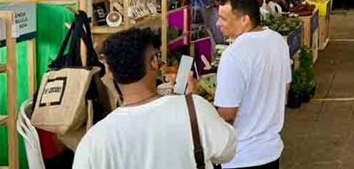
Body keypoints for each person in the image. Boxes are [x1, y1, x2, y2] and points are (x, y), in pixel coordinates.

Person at [73, 28, 237, 168]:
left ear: (109, 71)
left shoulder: (94, 141)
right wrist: (192, 102)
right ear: (154, 62)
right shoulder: (195, 111)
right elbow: (227, 151)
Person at [215, 0, 292, 169]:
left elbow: (227, 116)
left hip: (241, 158)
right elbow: (285, 89)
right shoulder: (277, 40)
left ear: (245, 19)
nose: (218, 23)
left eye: (224, 18)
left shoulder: (233, 55)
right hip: (271, 152)